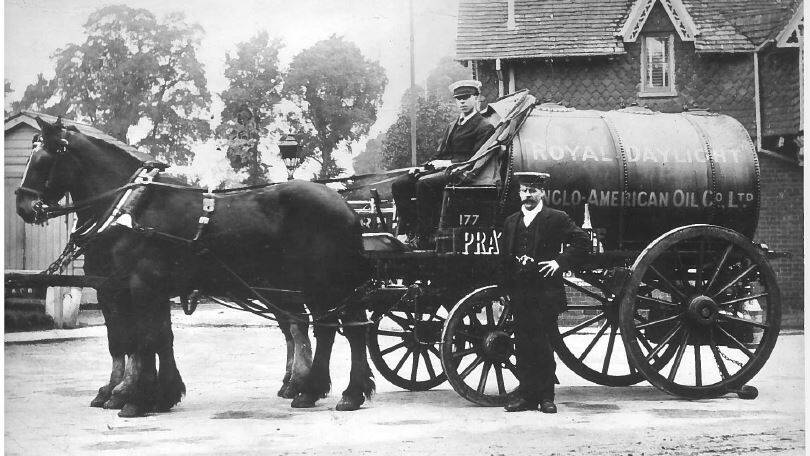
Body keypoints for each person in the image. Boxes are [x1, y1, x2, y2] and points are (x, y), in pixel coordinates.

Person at [500, 172, 590, 413]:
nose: (528, 195)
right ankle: (526, 396)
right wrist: (505, 289)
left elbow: (582, 240)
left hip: (545, 292)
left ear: (542, 193)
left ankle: (546, 397)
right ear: (519, 193)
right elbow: (504, 259)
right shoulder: (511, 221)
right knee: (523, 344)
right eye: (524, 190)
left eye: (533, 190)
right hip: (520, 293)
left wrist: (559, 262)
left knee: (543, 344)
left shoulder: (556, 218)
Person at [391, 79, 495, 248]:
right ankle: (410, 230)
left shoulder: (484, 127)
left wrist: (446, 164)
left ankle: (425, 237)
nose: (461, 101)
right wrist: (422, 167)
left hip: (462, 174)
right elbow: (440, 153)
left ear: (477, 98)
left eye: (466, 97)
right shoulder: (453, 125)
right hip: (446, 169)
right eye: (458, 98)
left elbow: (474, 160)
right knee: (400, 184)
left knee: (424, 184)